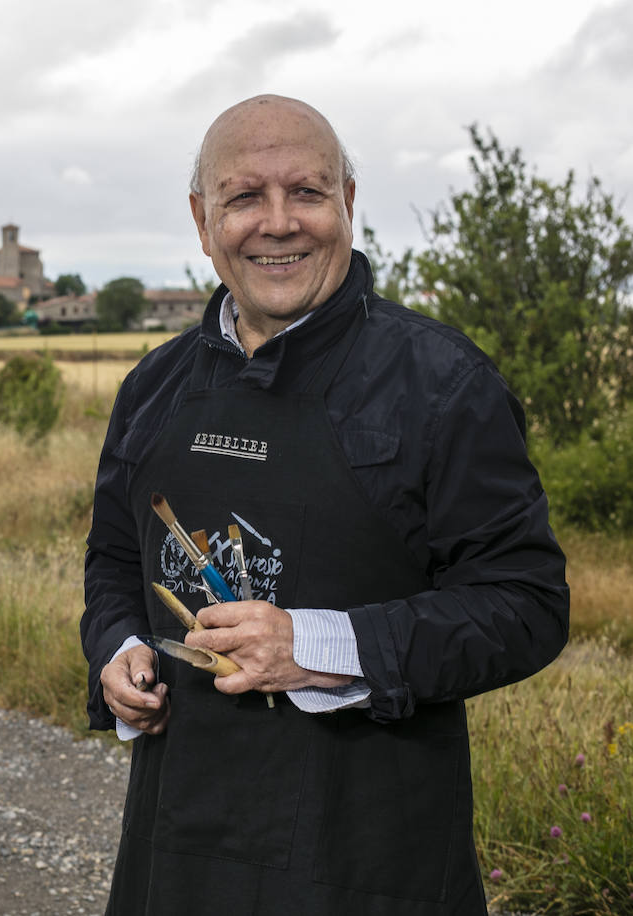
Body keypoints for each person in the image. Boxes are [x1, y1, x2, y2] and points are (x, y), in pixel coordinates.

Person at [79, 95, 569, 915]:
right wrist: (117, 645)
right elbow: (115, 561)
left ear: (348, 201)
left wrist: (318, 645)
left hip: (370, 858)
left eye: (306, 192)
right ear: (203, 221)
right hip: (177, 853)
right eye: (244, 198)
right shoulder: (155, 388)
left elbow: (525, 608)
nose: (279, 223)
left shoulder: (443, 385)